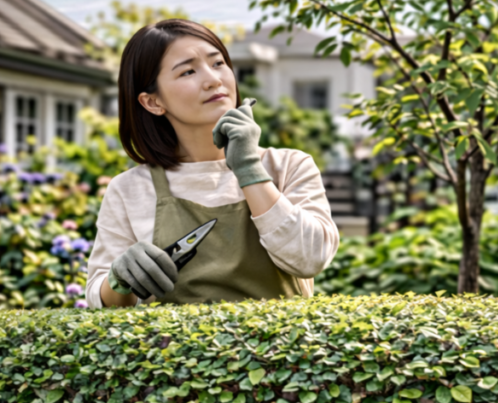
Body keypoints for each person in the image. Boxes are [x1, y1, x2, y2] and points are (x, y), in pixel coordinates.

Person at [85, 19, 339, 308]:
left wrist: (249, 168)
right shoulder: (128, 190)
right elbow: (99, 300)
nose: (213, 79)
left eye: (218, 63)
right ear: (153, 102)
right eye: (188, 71)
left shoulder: (290, 166)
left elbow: (311, 258)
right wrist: (120, 278)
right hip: (173, 352)